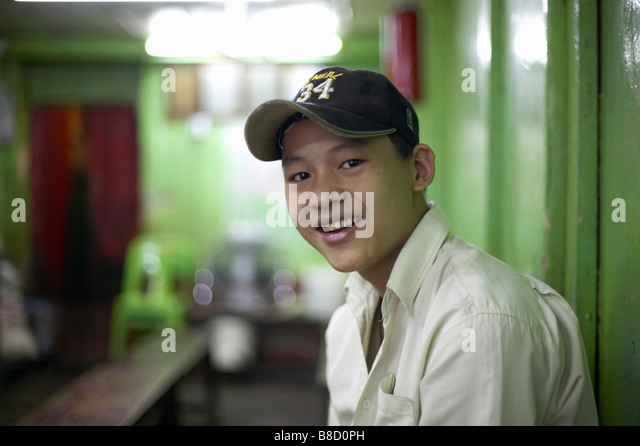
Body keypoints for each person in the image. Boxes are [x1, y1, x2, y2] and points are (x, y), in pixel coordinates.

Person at [243, 66, 599, 425]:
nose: (321, 197)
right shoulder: (346, 324)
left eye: (350, 162)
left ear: (418, 169)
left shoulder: (474, 324)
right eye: (300, 175)